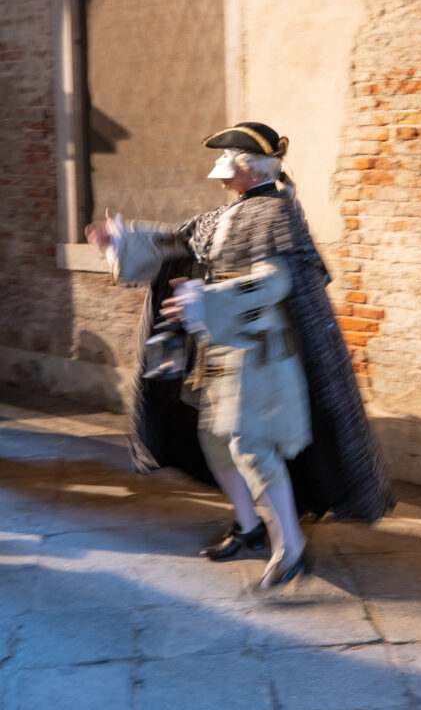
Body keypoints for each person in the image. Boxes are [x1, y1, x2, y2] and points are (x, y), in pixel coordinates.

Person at [86, 121, 394, 589]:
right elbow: (178, 241)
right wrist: (123, 240)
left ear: (247, 166)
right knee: (214, 441)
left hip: (261, 359)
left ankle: (289, 548)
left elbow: (275, 282)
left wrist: (207, 301)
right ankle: (250, 529)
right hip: (218, 355)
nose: (217, 168)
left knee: (254, 450)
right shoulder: (231, 211)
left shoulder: (276, 214)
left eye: (225, 158)